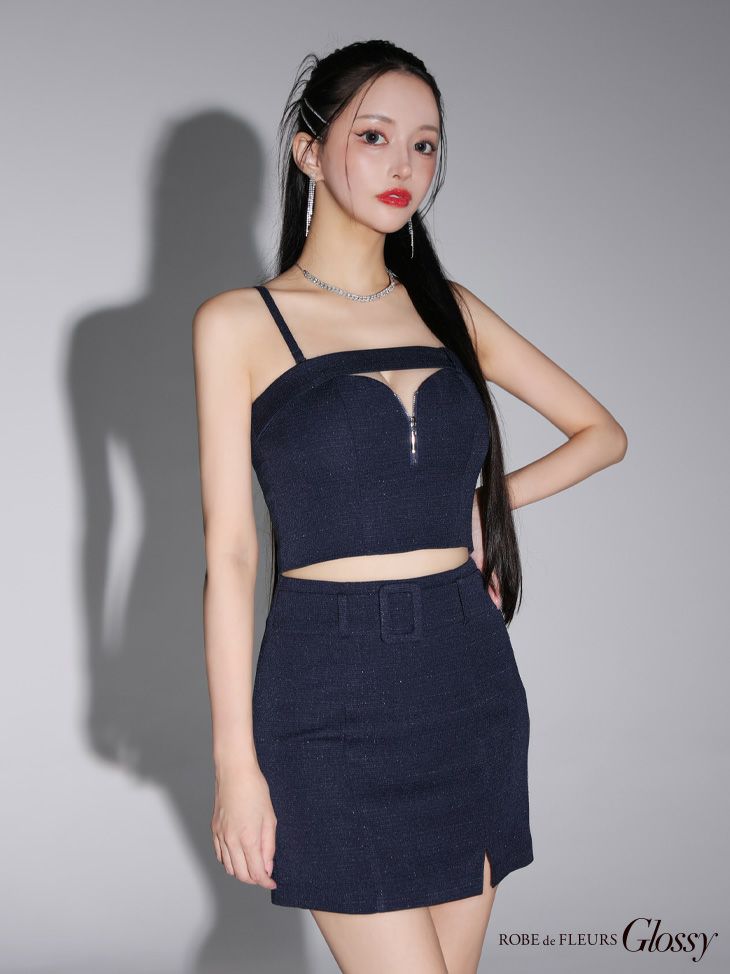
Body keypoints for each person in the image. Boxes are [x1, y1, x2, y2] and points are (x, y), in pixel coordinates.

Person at [192, 39, 627, 974]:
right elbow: (229, 555)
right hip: (325, 693)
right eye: (375, 135)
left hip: (466, 681)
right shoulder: (239, 324)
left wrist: (483, 510)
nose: (405, 165)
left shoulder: (449, 309)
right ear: (309, 151)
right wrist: (236, 765)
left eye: (425, 144)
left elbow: (602, 433)